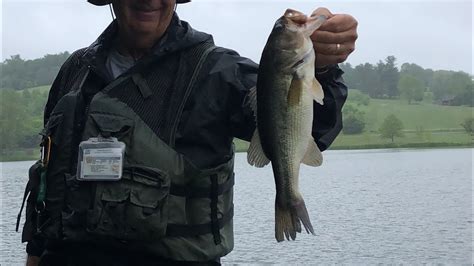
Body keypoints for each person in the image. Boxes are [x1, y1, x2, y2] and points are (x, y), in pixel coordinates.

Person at [20, 0, 358, 265]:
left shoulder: (218, 72)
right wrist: (34, 255)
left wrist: (325, 67)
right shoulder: (75, 71)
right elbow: (49, 183)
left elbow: (315, 126)